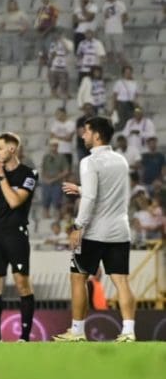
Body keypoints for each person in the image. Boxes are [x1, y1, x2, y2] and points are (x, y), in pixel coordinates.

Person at [56, 117, 136, 341]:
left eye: (86, 132)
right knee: (121, 281)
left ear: (97, 135)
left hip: (93, 232)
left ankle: (77, 331)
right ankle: (129, 332)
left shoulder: (89, 162)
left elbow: (91, 198)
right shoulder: (121, 161)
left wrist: (77, 226)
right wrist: (82, 188)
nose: (83, 136)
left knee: (78, 278)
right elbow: (110, 192)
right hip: (120, 230)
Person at [0, 133, 37, 342]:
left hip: (16, 235)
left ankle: (25, 337)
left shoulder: (29, 174)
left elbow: (14, 201)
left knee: (22, 284)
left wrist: (2, 176)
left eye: (0, 148)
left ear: (12, 149)